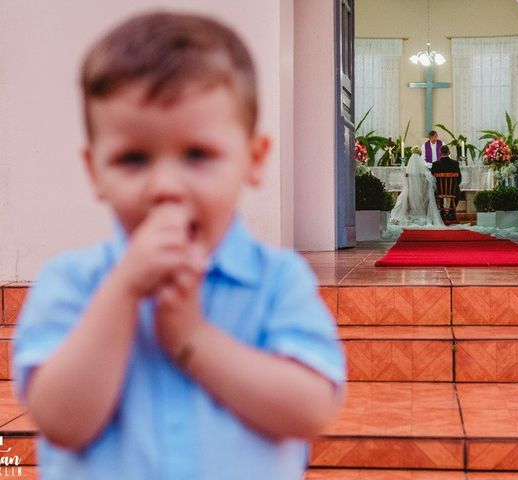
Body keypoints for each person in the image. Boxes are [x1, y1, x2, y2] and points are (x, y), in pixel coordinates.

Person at [12, 12, 345, 480]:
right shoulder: (71, 283)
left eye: (197, 155)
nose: (165, 186)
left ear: (253, 160)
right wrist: (122, 292)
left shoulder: (278, 280)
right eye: (132, 159)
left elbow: (308, 408)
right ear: (95, 172)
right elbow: (61, 421)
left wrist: (192, 340)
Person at [389, 146, 444, 227]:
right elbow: (430, 180)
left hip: (411, 193)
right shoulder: (424, 169)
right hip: (422, 194)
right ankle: (423, 212)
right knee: (427, 192)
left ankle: (410, 212)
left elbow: (406, 181)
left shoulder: (409, 169)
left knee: (404, 195)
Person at [431, 145, 462, 222]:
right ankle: (451, 212)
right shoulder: (455, 163)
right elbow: (459, 179)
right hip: (452, 190)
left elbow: (432, 178)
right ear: (449, 152)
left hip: (440, 190)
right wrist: (453, 185)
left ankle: (442, 212)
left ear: (440, 153)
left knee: (435, 190)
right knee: (458, 190)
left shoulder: (435, 164)